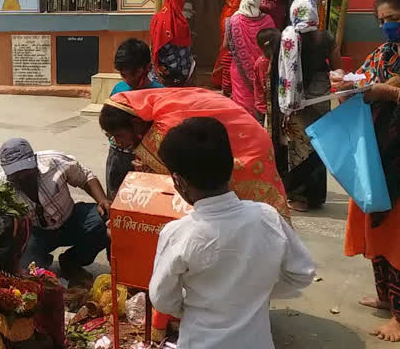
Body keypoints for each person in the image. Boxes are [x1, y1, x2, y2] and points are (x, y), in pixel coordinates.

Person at [149, 117, 315, 349]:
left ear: (179, 181)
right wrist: (256, 293)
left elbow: (162, 299)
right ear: (230, 166)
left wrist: (197, 305)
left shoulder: (178, 234)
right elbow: (303, 273)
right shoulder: (267, 217)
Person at [333, 0, 400, 342]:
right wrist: (345, 85)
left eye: (394, 20)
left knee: (398, 236)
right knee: (374, 226)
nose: (387, 28)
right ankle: (385, 296)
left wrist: (390, 93)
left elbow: (385, 91)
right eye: (382, 22)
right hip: (376, 149)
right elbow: (361, 79)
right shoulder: (385, 53)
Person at [99, 87, 291, 220]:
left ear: (135, 124)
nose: (117, 143)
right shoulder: (161, 106)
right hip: (247, 137)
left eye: (118, 135)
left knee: (237, 207)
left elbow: (180, 175)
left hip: (248, 149)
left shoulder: (165, 129)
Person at [0, 138, 110, 281]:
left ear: (33, 161)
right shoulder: (0, 187)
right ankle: (42, 262)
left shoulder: (55, 161)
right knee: (24, 264)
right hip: (37, 233)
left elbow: (86, 177)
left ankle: (71, 261)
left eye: (25, 171)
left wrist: (102, 200)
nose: (21, 177)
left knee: (102, 222)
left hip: (71, 219)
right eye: (15, 174)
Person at [276, 0, 342, 212]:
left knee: (298, 148)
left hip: (296, 102)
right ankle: (316, 196)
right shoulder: (326, 38)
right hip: (320, 99)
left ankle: (299, 197)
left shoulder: (287, 38)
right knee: (317, 144)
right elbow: (337, 69)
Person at [106, 38, 163, 199]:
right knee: (115, 199)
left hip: (147, 161)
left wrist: (149, 160)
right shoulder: (118, 90)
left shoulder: (160, 94)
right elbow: (108, 124)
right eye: (123, 75)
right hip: (118, 155)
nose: (127, 79)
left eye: (133, 73)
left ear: (147, 68)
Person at [224, 0, 276, 118]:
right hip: (264, 70)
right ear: (258, 0)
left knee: (242, 108)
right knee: (263, 103)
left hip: (239, 72)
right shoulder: (268, 20)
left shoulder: (233, 21)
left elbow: (226, 45)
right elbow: (275, 44)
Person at [212, 0, 253, 94]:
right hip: (236, 19)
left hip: (227, 17)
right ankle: (232, 82)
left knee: (226, 49)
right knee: (235, 50)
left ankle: (223, 82)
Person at [149, 0, 195, 86]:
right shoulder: (181, 22)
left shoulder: (156, 18)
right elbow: (185, 48)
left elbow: (154, 43)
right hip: (179, 71)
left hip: (160, 69)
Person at [253, 27, 281, 124]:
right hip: (264, 106)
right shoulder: (263, 63)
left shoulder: (271, 60)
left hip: (271, 104)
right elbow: (266, 85)